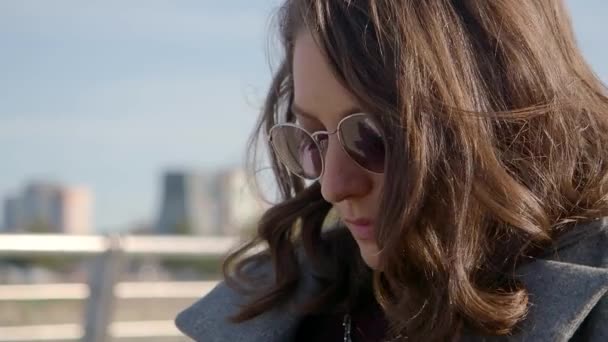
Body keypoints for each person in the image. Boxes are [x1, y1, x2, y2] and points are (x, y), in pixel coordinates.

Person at [176, 0, 608, 341]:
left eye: (374, 135)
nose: (333, 186)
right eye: (310, 139)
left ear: (504, 112)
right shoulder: (295, 304)